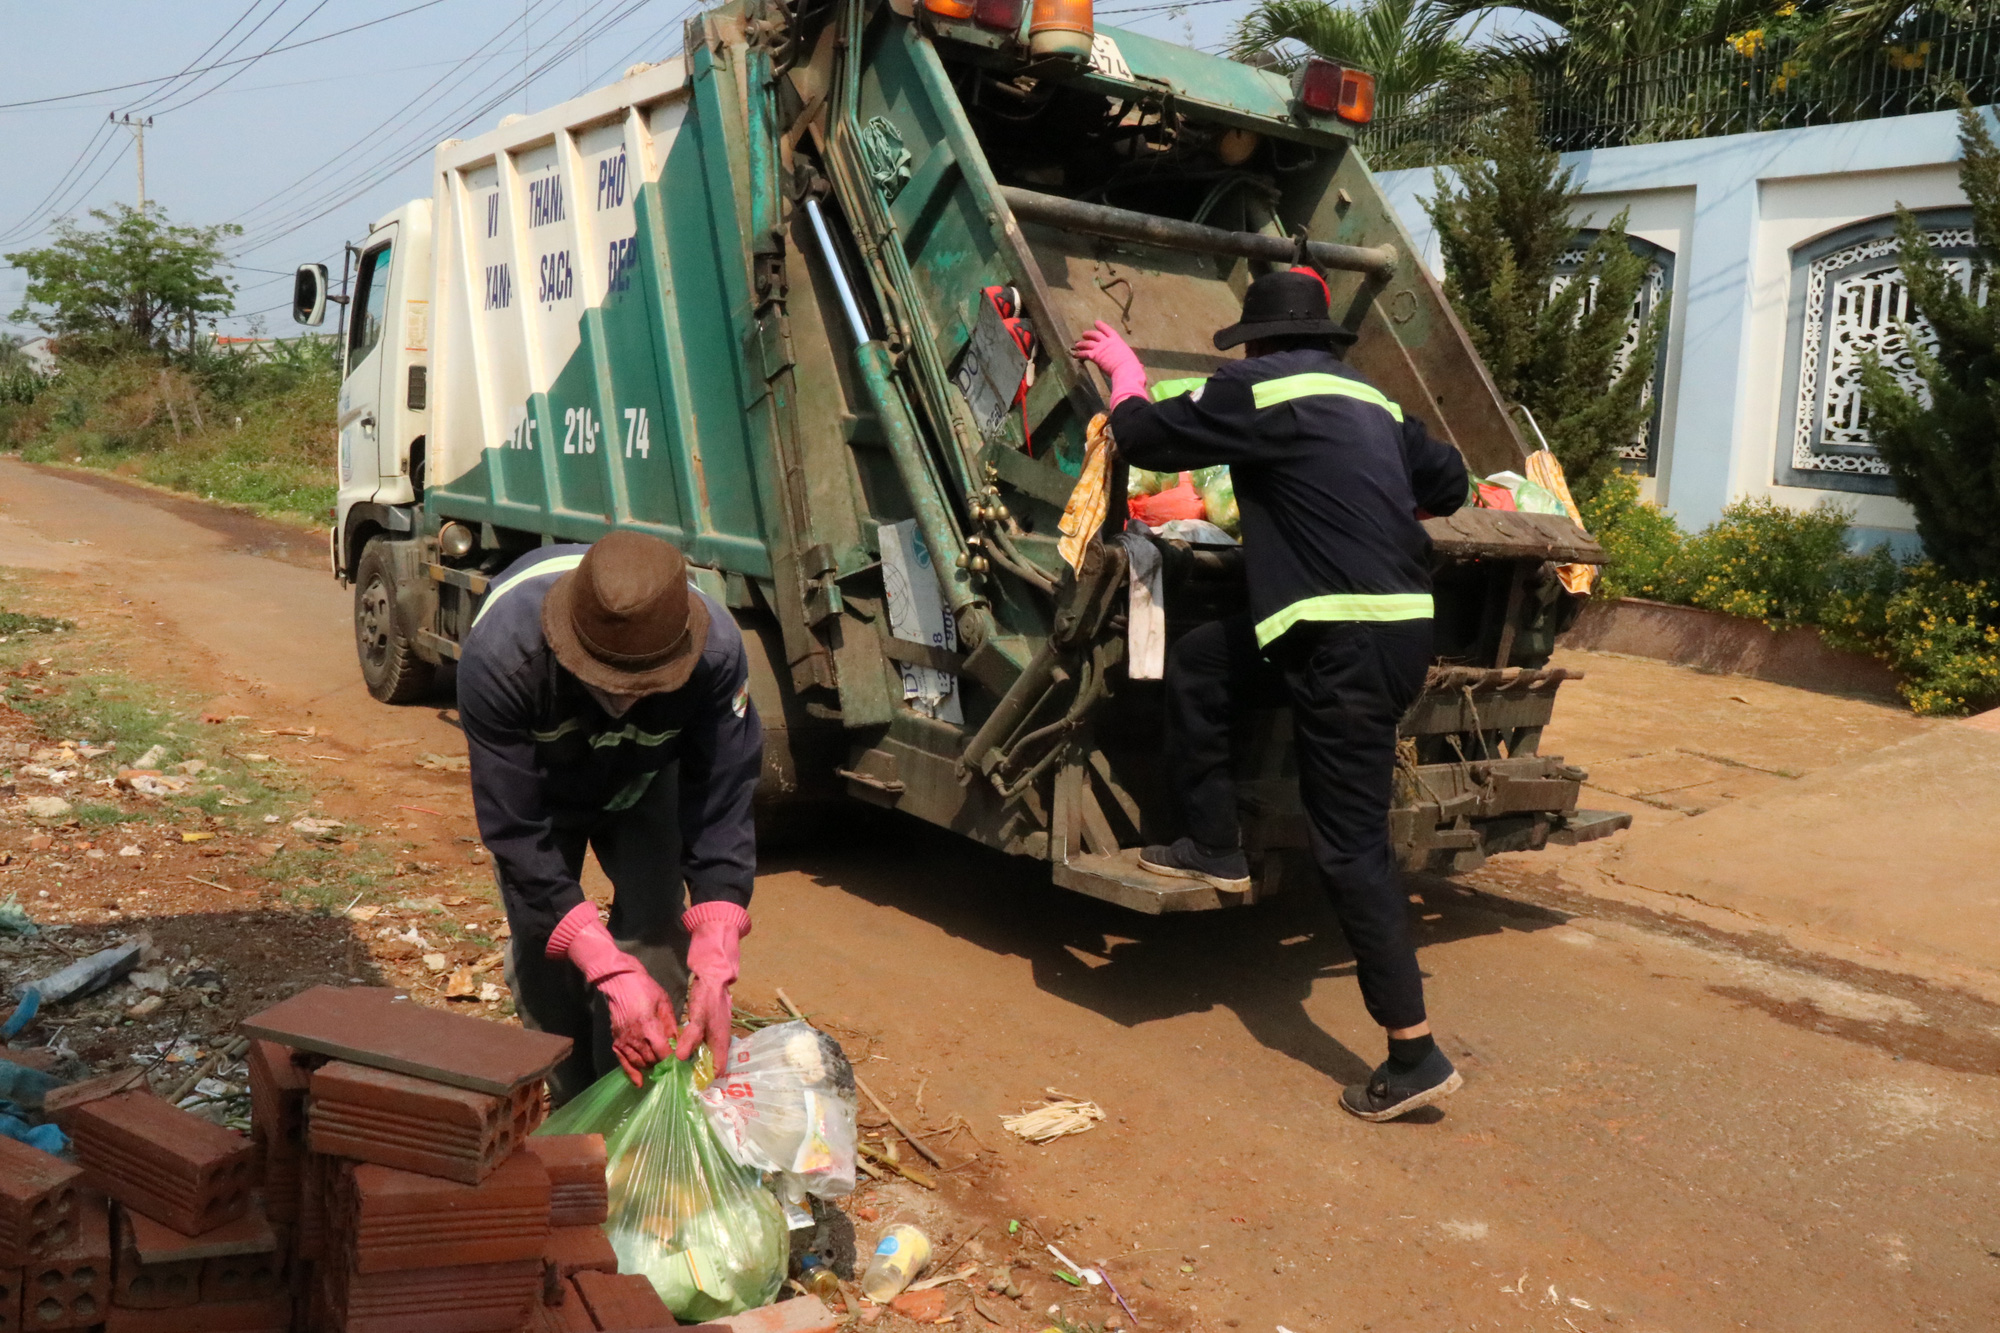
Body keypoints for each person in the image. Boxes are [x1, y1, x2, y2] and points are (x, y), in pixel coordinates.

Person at [1074, 267, 1470, 1122]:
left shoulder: (1253, 387)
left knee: (1352, 846)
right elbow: (1452, 485)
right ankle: (1212, 841)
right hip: (1397, 629)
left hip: (1344, 644)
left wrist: (1126, 373)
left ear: (1253, 343)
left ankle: (1414, 1052)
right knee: (1208, 654)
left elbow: (1144, 439)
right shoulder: (1371, 401)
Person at [458, 530, 761, 1101]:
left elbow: (722, 802)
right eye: (608, 684)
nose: (623, 702)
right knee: (545, 944)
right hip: (546, 787)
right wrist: (607, 971)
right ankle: (575, 1101)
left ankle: (631, 1100)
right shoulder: (501, 657)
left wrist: (718, 960)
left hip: (647, 776)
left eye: (646, 688)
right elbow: (517, 833)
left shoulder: (718, 654)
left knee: (654, 934)